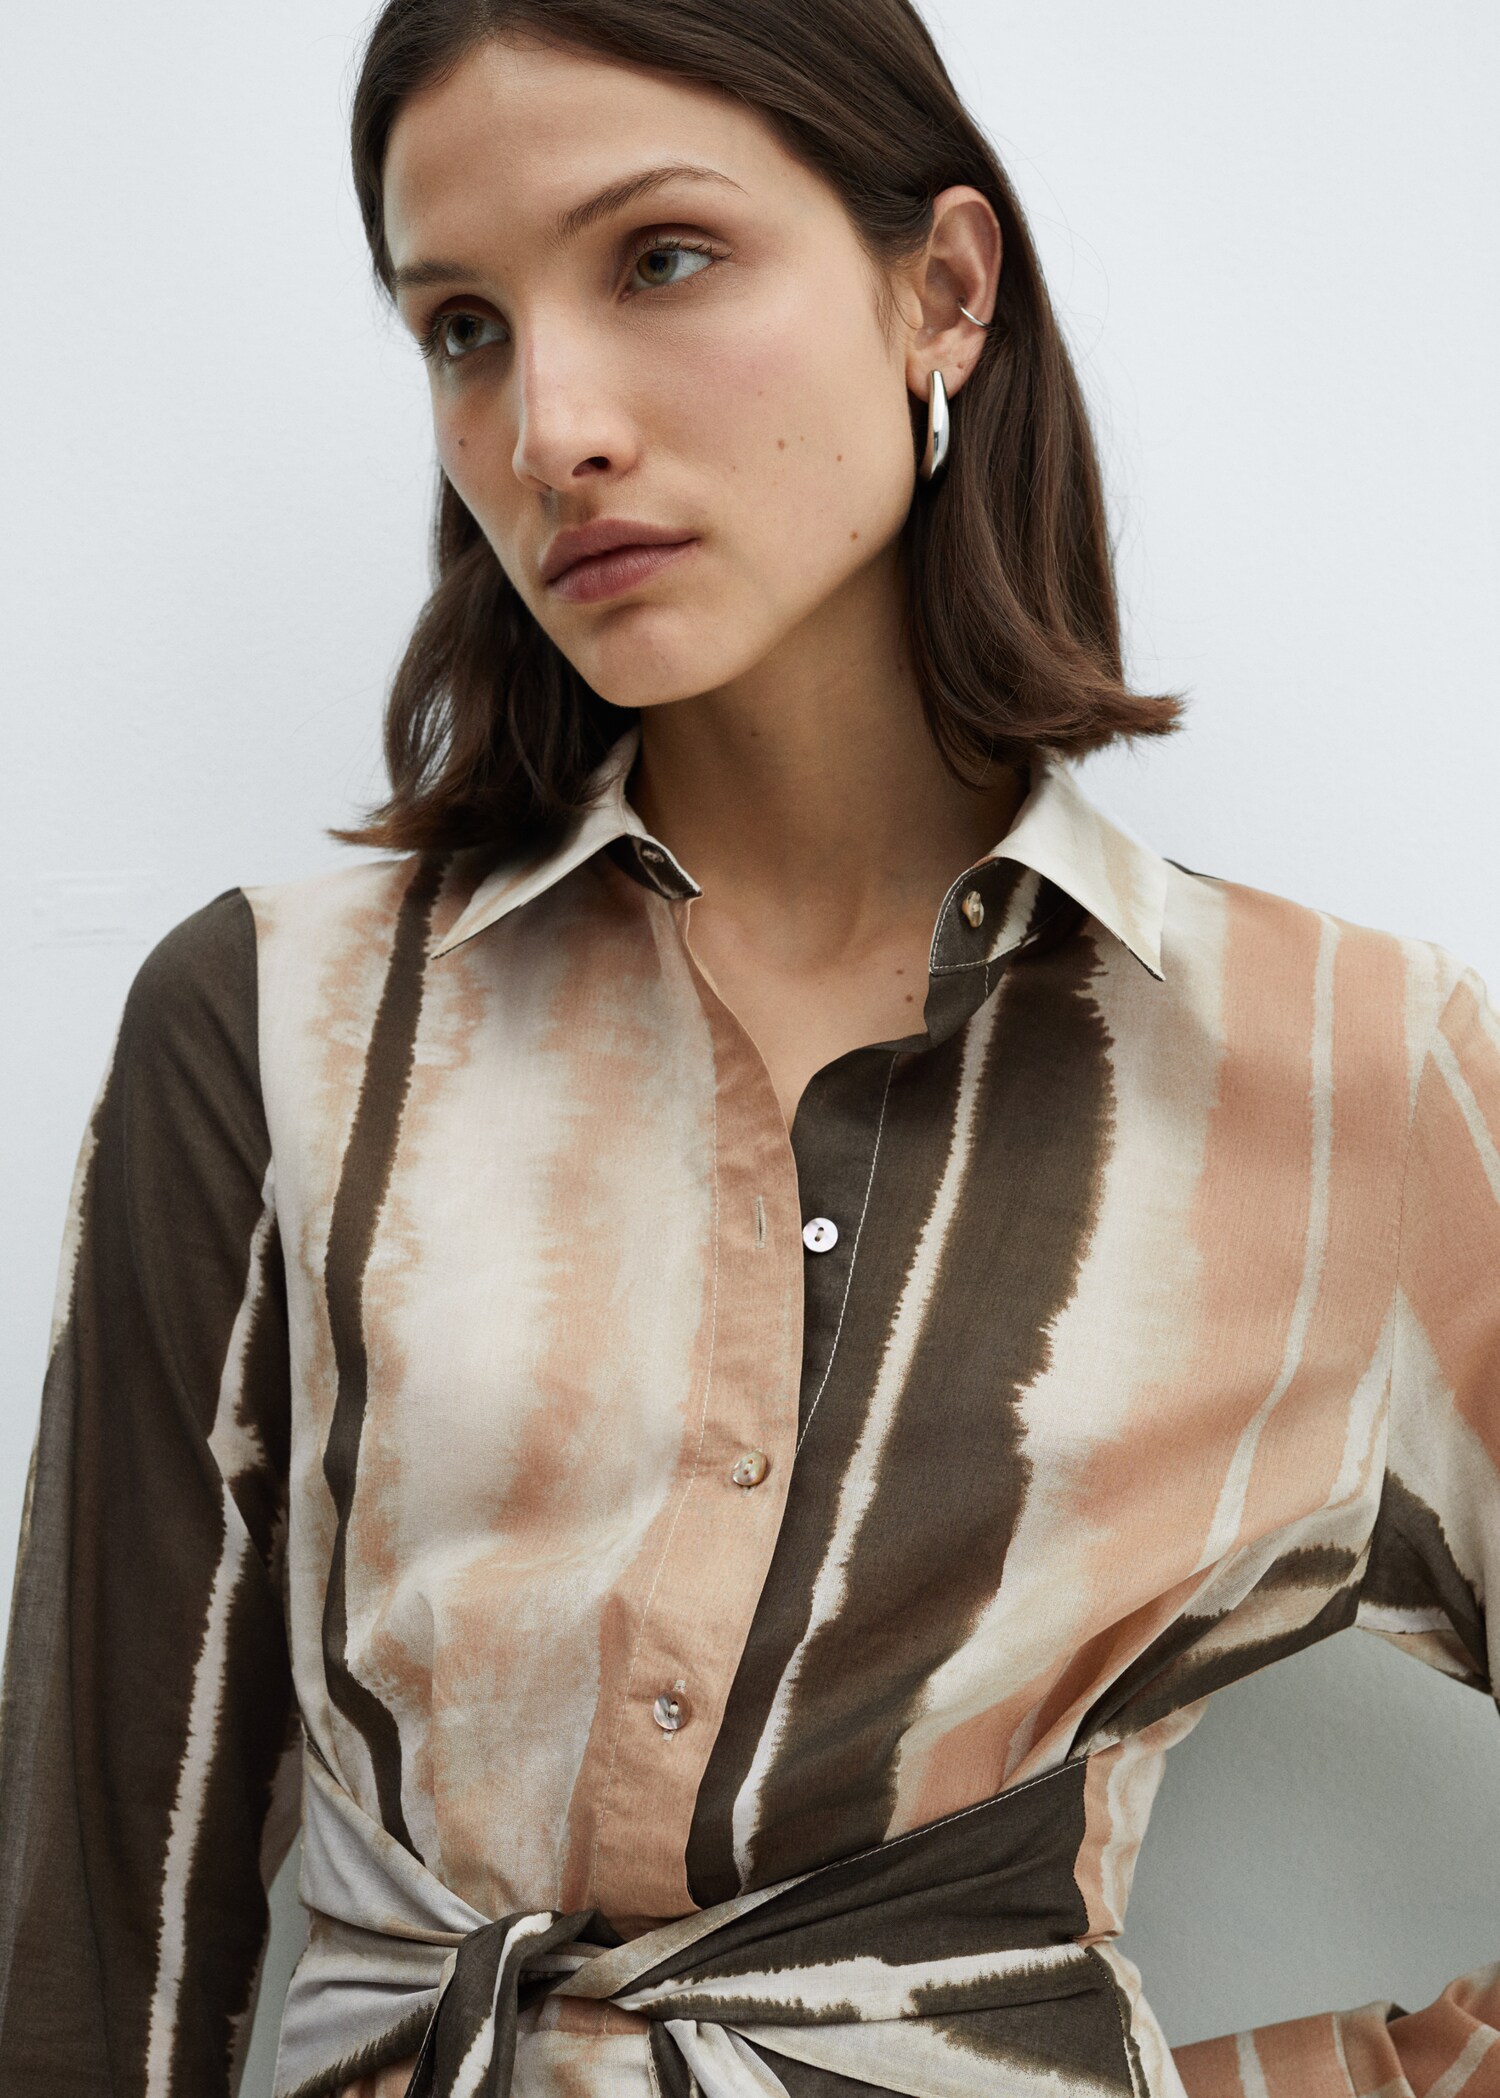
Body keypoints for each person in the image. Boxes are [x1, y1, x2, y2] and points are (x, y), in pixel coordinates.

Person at [0, 1, 1496, 2094]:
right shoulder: (275, 1025)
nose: (552, 427)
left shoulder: (1353, 1081)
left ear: (940, 290)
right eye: (462, 329)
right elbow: (96, 1930)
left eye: (661, 258)